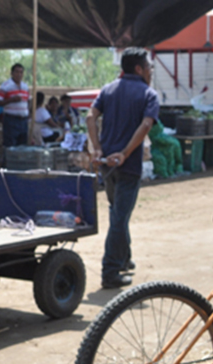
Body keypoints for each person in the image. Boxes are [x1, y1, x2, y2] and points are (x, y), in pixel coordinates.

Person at [88, 47, 160, 289]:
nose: (151, 71)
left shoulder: (108, 89)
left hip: (107, 165)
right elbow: (147, 124)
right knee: (119, 218)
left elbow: (90, 117)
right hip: (127, 166)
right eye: (149, 67)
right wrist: (126, 153)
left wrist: (97, 149)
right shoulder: (148, 94)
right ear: (139, 69)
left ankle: (125, 259)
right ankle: (110, 271)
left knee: (118, 213)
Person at [0, 63, 30, 147]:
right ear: (12, 73)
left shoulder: (25, 86)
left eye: (21, 72)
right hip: (11, 120)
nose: (19, 74)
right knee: (10, 145)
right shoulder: (6, 86)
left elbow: (28, 101)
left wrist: (29, 113)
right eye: (17, 72)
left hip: (23, 120)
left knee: (22, 145)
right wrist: (11, 100)